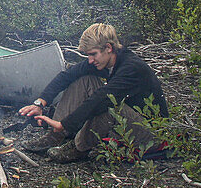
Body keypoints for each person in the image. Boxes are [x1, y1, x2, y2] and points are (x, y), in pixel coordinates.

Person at [17, 23, 168, 163]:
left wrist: (65, 123)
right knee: (84, 80)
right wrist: (40, 103)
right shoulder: (106, 61)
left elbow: (102, 98)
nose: (90, 60)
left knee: (109, 106)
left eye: (93, 54)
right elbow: (67, 75)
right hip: (130, 123)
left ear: (108, 47)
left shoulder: (132, 68)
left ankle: (79, 147)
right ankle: (56, 136)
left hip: (152, 135)